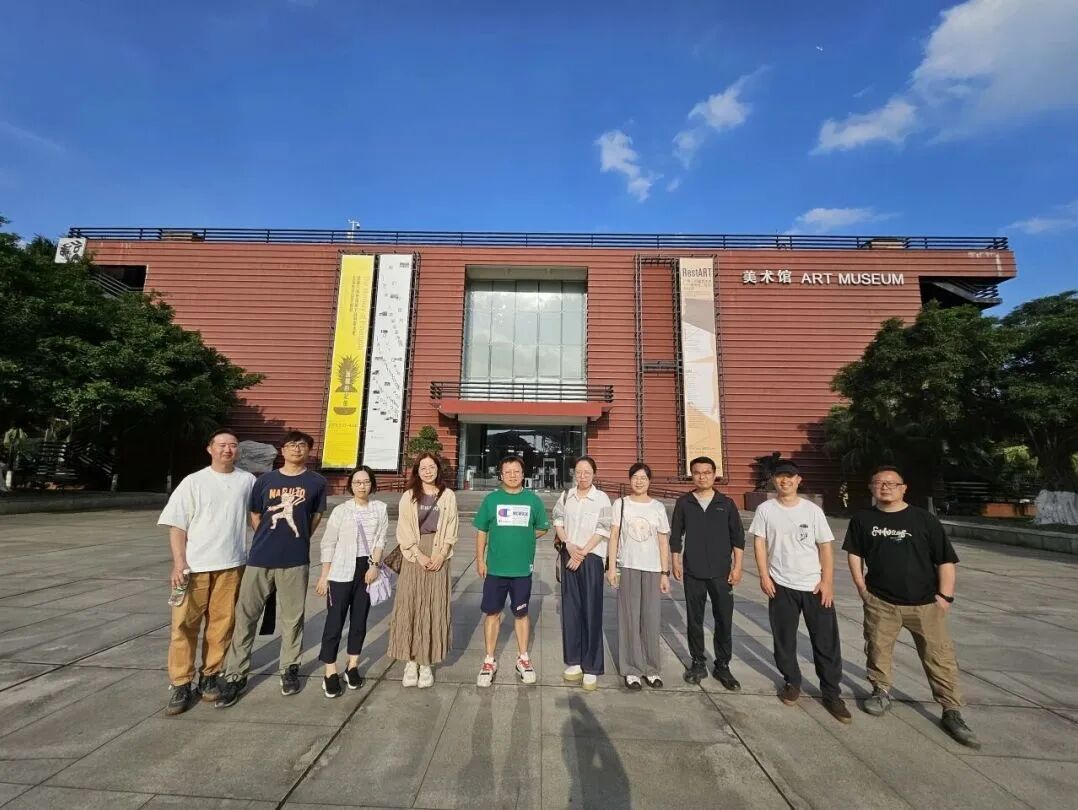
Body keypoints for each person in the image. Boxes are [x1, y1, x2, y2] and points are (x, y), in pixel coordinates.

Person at [843, 465, 980, 748]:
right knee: (878, 648)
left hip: (925, 603)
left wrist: (945, 597)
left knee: (939, 656)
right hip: (881, 601)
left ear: (903, 488)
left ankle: (951, 709)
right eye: (879, 482)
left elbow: (945, 560)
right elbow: (855, 553)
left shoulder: (923, 519)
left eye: (892, 483)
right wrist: (861, 586)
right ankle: (881, 691)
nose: (885, 487)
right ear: (871, 487)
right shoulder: (863, 519)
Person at [215, 430, 327, 708]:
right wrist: (267, 537)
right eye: (291, 445)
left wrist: (297, 539)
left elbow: (315, 517)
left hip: (295, 560)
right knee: (246, 616)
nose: (296, 449)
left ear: (308, 450)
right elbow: (255, 514)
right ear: (282, 450)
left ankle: (289, 668)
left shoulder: (316, 482)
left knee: (293, 618)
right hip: (260, 558)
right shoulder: (265, 481)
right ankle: (235, 674)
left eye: (302, 445)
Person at [158, 429, 256, 715]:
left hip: (231, 565)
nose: (227, 450)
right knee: (183, 626)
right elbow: (177, 525)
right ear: (210, 449)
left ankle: (210, 675)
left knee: (222, 626)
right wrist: (179, 562)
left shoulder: (247, 481)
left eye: (233, 445)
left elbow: (256, 519)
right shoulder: (194, 482)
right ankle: (180, 682)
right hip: (194, 567)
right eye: (222, 445)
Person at [749, 460, 851, 723]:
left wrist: (827, 582)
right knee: (784, 639)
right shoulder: (765, 510)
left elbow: (825, 547)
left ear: (798, 480)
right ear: (774, 480)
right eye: (780, 477)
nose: (785, 481)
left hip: (814, 585)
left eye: (790, 477)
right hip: (781, 584)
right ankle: (792, 682)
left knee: (826, 641)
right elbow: (759, 543)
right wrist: (764, 575)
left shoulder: (812, 511)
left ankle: (831, 692)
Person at [474, 454, 549, 687]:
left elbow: (542, 527)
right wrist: (480, 560)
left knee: (521, 614)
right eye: (508, 471)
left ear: (523, 474)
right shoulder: (491, 500)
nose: (513, 475)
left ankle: (523, 658)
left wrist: (525, 535)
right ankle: (489, 660)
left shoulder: (533, 500)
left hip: (522, 570)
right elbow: (482, 531)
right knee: (492, 613)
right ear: (501, 474)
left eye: (517, 471)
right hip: (495, 569)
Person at [670, 456, 744, 689]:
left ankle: (723, 665)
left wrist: (738, 566)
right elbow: (676, 535)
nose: (702, 477)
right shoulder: (684, 503)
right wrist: (675, 561)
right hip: (693, 571)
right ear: (691, 475)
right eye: (697, 472)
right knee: (695, 620)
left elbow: (738, 537)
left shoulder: (726, 503)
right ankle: (698, 663)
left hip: (722, 573)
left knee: (724, 620)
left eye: (707, 472)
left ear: (714, 474)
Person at [315, 465, 388, 698]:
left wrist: (374, 566)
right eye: (357, 482)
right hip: (340, 570)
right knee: (334, 621)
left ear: (372, 484)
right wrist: (324, 575)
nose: (362, 486)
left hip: (366, 570)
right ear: (351, 485)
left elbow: (380, 540)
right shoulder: (341, 511)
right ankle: (330, 671)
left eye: (366, 482)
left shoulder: (380, 509)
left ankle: (352, 665)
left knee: (359, 620)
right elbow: (328, 543)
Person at [387, 452, 458, 688]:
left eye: (432, 467)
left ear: (438, 469)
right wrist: (418, 555)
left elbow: (452, 527)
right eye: (423, 468)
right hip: (414, 554)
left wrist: (441, 554)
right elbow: (404, 529)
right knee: (410, 603)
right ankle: (410, 661)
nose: (428, 471)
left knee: (434, 605)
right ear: (417, 471)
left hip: (439, 553)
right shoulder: (408, 496)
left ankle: (426, 661)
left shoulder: (448, 496)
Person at [607, 462, 671, 690]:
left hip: (653, 568)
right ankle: (632, 669)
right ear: (629, 480)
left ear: (649, 481)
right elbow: (614, 537)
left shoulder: (658, 507)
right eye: (635, 477)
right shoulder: (621, 504)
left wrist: (665, 572)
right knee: (629, 619)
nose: (639, 481)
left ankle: (652, 669)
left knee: (651, 619)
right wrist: (611, 567)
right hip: (629, 566)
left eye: (643, 477)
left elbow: (663, 541)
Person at [553, 456, 612, 691]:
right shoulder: (566, 496)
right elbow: (557, 520)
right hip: (569, 554)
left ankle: (592, 666)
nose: (583, 476)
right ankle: (575, 660)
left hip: (591, 558)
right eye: (579, 472)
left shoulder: (602, 498)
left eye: (587, 472)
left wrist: (582, 553)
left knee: (591, 611)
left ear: (594, 474)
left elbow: (603, 528)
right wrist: (568, 545)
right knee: (571, 610)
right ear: (574, 473)